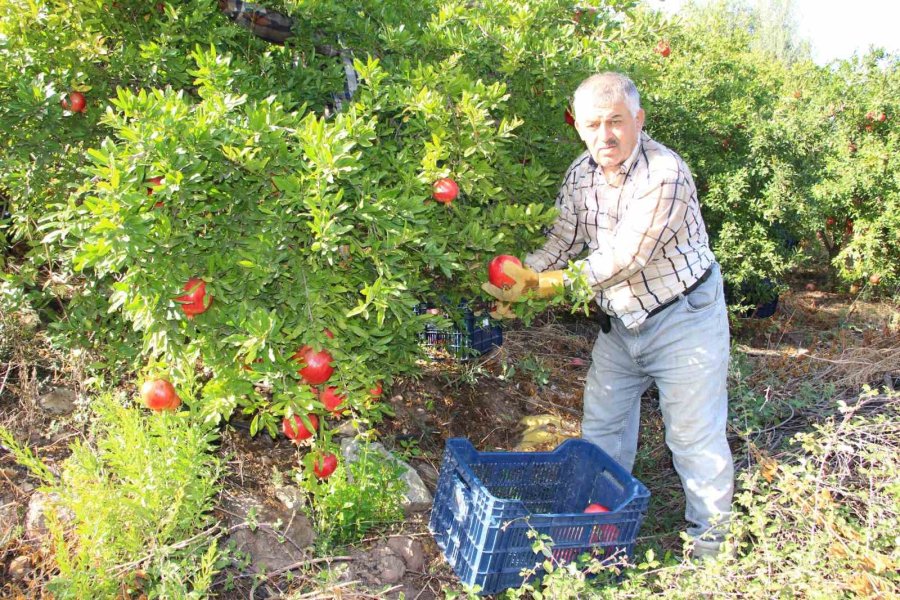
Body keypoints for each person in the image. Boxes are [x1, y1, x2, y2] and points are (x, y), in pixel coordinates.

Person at [482, 72, 733, 559]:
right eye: (593, 124)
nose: (605, 135)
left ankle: (712, 552)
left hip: (684, 318)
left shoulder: (665, 173)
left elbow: (622, 260)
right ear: (578, 127)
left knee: (692, 437)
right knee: (602, 430)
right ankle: (602, 530)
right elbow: (562, 242)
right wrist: (519, 277)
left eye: (616, 121)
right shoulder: (580, 174)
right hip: (621, 324)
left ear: (638, 120)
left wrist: (539, 287)